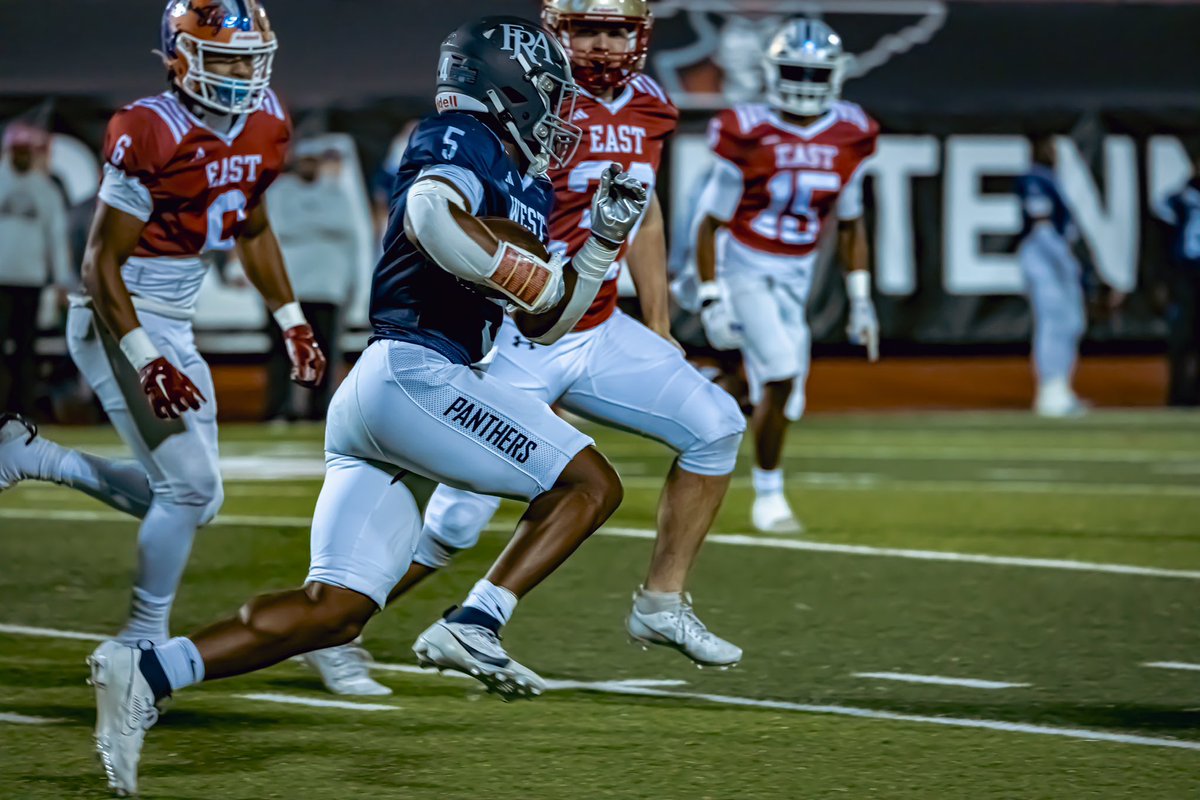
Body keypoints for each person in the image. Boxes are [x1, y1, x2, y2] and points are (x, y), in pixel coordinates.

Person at [80, 16, 646, 795]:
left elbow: (547, 316)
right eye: (549, 94)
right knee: (591, 485)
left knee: (335, 611)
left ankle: (146, 670)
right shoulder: (458, 134)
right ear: (510, 88)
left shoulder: (528, 178)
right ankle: (475, 622)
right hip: (416, 373)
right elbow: (430, 217)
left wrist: (601, 246)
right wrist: (526, 272)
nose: (560, 112)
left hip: (391, 391)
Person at [306, 0, 745, 696]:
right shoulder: (516, 106)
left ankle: (658, 602)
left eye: (617, 29)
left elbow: (646, 213)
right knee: (454, 518)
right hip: (518, 326)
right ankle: (339, 625)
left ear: (642, 34)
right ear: (552, 34)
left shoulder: (653, 107)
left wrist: (658, 324)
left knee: (716, 426)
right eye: (585, 29)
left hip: (597, 324)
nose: (602, 44)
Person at [0, 2, 327, 791]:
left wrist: (290, 319)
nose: (246, 73)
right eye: (227, 56)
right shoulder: (145, 127)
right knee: (194, 488)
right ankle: (142, 642)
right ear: (178, 58)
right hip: (123, 310)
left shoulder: (266, 124)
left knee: (193, 498)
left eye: (254, 57)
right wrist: (144, 356)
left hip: (172, 308)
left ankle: (29, 455)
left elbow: (250, 226)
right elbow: (97, 267)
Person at [694, 18, 879, 534]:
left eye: (813, 73)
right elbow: (708, 223)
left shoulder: (852, 132)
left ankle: (707, 384)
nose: (803, 83)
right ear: (774, 72)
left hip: (797, 274)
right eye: (794, 70)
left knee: (787, 398)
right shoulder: (747, 128)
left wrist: (861, 298)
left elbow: (850, 222)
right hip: (745, 264)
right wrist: (711, 295)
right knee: (779, 373)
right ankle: (769, 496)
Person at [1015, 134, 1118, 417]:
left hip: (1055, 255)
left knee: (1071, 323)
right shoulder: (1035, 178)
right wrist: (1065, 260)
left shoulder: (1054, 179)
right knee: (1052, 324)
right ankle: (1050, 389)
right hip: (1042, 255)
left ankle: (1061, 387)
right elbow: (1041, 225)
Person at [264, 140, 361, 420]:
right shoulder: (279, 191)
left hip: (328, 287)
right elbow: (278, 228)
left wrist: (351, 285)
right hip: (286, 287)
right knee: (282, 352)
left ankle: (320, 410)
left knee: (326, 351)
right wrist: (323, 227)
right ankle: (279, 409)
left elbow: (350, 233)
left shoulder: (338, 194)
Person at [0, 122, 73, 418]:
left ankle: (21, 412)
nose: (20, 156)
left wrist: (62, 281)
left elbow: (57, 236)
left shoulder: (45, 190)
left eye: (25, 150)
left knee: (25, 352)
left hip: (30, 281)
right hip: (1, 280)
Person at [1155, 152, 1200, 406]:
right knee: (1182, 338)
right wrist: (1162, 281)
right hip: (1185, 275)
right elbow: (1160, 244)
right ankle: (1179, 395)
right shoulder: (1176, 200)